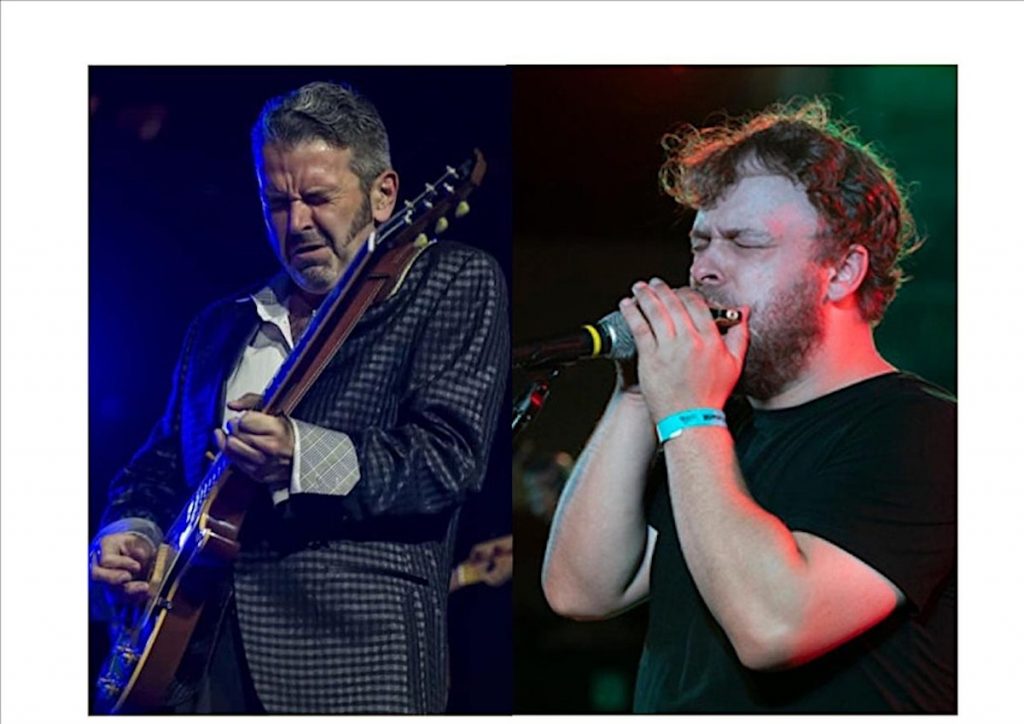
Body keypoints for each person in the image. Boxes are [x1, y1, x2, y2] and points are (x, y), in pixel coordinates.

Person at [88, 81, 509, 714]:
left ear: (384, 194)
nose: (298, 223)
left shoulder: (451, 282)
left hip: (348, 666)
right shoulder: (219, 325)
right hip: (188, 668)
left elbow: (448, 460)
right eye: (276, 202)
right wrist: (130, 531)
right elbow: (155, 466)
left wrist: (303, 456)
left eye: (318, 198)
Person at [541, 99, 955, 713]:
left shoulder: (928, 432)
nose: (706, 269)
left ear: (841, 272)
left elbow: (776, 627)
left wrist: (687, 414)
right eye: (701, 242)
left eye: (744, 242)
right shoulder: (714, 430)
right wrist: (637, 393)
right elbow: (582, 590)